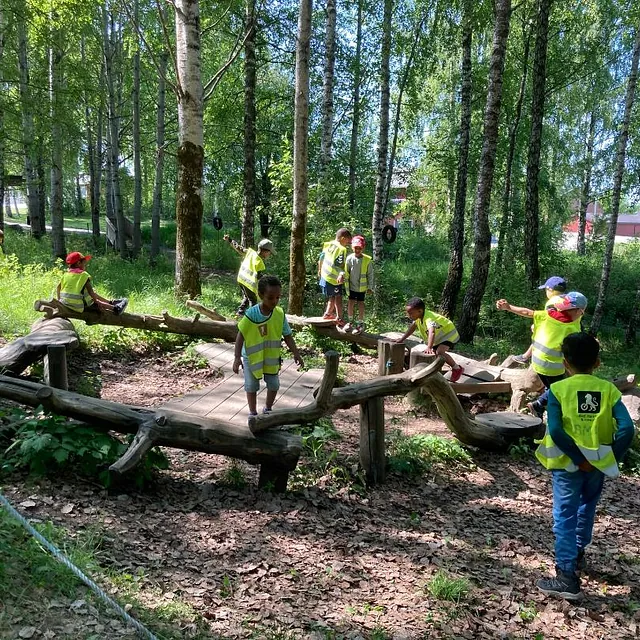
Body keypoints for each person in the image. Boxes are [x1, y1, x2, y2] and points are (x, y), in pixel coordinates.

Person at [535, 332, 634, 600]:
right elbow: (627, 429)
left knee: (565, 514)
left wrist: (579, 459)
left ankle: (566, 576)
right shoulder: (609, 390)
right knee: (586, 507)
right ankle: (578, 555)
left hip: (567, 465)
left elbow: (555, 430)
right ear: (598, 363)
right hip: (598, 465)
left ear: (565, 362)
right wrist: (608, 456)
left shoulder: (557, 390)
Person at [496, 291, 586, 418]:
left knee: (552, 387)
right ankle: (538, 405)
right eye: (582, 312)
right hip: (553, 367)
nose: (582, 315)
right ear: (577, 311)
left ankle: (541, 410)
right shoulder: (570, 327)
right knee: (561, 388)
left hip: (537, 363)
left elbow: (527, 312)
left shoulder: (547, 314)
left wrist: (508, 307)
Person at [233, 275, 304, 421]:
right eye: (271, 297)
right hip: (252, 358)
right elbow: (241, 335)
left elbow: (288, 335)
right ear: (260, 295)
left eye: (278, 297)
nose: (275, 301)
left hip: (270, 358)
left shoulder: (279, 314)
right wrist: (236, 358)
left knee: (274, 385)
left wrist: (296, 353)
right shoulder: (251, 314)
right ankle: (253, 413)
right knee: (251, 386)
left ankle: (268, 409)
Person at [394, 297, 464, 382]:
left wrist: (429, 347)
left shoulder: (429, 318)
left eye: (411, 313)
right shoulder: (419, 318)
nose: (409, 316)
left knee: (439, 352)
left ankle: (457, 368)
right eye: (408, 313)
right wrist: (402, 339)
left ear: (420, 311)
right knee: (434, 354)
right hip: (440, 338)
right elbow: (411, 329)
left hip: (449, 335)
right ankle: (434, 372)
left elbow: (432, 332)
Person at [512, 276, 568, 364]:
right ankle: (525, 356)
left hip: (555, 338)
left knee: (539, 334)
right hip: (567, 333)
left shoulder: (552, 302)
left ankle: (525, 357)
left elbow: (548, 319)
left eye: (545, 290)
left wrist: (508, 307)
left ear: (550, 289)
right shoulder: (568, 300)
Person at [57, 251, 128, 315]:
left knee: (90, 294)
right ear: (79, 263)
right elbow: (91, 292)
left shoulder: (65, 275)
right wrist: (97, 302)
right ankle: (115, 309)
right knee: (94, 301)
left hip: (66, 303)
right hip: (79, 306)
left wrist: (59, 300)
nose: (85, 265)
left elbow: (58, 287)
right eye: (84, 263)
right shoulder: (83, 275)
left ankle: (110, 302)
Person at [224, 235, 274, 316]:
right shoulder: (260, 262)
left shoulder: (250, 252)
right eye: (269, 253)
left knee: (247, 298)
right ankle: (253, 317)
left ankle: (240, 313)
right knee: (253, 300)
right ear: (265, 251)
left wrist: (230, 240)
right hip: (248, 283)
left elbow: (239, 248)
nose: (269, 255)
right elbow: (258, 276)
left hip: (241, 279)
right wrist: (268, 280)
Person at [318, 228, 352, 326]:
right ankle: (340, 318)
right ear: (342, 238)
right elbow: (339, 265)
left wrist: (319, 270)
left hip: (325, 276)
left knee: (332, 297)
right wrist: (341, 274)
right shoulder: (341, 249)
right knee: (338, 298)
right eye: (347, 240)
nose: (348, 243)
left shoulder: (329, 244)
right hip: (333, 279)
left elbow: (321, 257)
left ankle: (328, 313)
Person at [344, 235, 374, 334]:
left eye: (359, 248)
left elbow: (370, 274)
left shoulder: (367, 260)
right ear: (352, 247)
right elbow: (346, 271)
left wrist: (370, 287)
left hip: (362, 288)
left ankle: (360, 323)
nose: (357, 250)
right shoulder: (349, 258)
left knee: (361, 304)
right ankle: (350, 322)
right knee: (351, 302)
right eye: (355, 248)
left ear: (363, 248)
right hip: (351, 286)